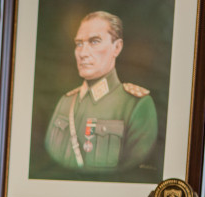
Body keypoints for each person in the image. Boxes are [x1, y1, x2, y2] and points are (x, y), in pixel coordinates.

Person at [44, 11, 158, 176]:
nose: (83, 53)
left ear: (116, 48)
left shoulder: (136, 105)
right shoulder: (65, 102)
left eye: (95, 41)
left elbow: (134, 172)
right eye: (79, 44)